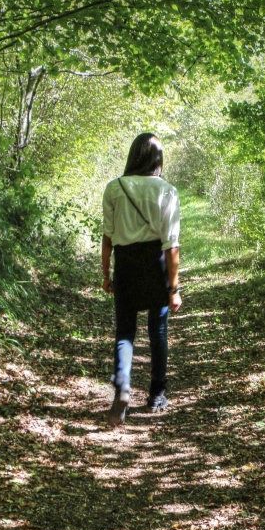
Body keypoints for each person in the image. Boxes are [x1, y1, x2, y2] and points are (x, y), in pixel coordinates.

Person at [101, 133, 181, 426]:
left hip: (125, 265)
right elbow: (171, 245)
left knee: (125, 330)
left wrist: (105, 272)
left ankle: (122, 388)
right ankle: (156, 395)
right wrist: (174, 288)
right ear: (158, 160)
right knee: (157, 331)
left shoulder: (115, 188)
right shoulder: (167, 191)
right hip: (155, 265)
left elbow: (108, 236)